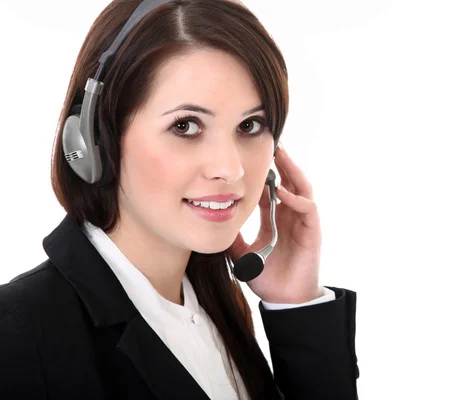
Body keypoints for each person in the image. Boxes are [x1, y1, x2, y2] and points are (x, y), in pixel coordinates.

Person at [0, 0, 358, 399]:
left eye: (250, 125)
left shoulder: (214, 305)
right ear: (93, 140)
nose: (230, 168)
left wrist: (298, 309)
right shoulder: (18, 334)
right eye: (186, 126)